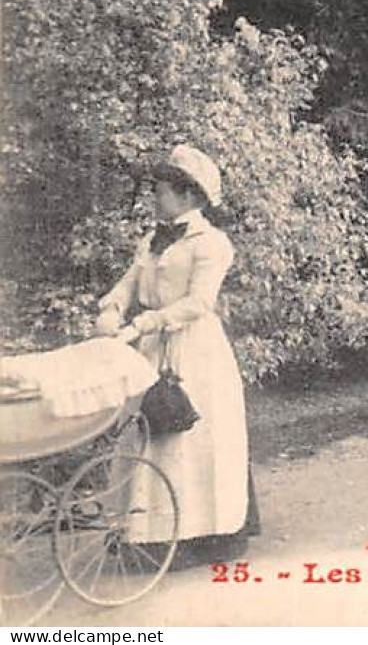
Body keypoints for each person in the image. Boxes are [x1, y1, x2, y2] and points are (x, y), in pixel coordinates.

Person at [93, 145, 258, 565]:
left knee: (189, 439)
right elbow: (129, 282)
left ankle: (200, 535)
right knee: (148, 435)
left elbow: (198, 303)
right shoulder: (153, 240)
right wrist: (111, 308)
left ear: (188, 196)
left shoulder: (212, 243)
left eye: (161, 191)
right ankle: (146, 533)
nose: (154, 199)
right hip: (150, 348)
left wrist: (143, 324)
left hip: (195, 350)